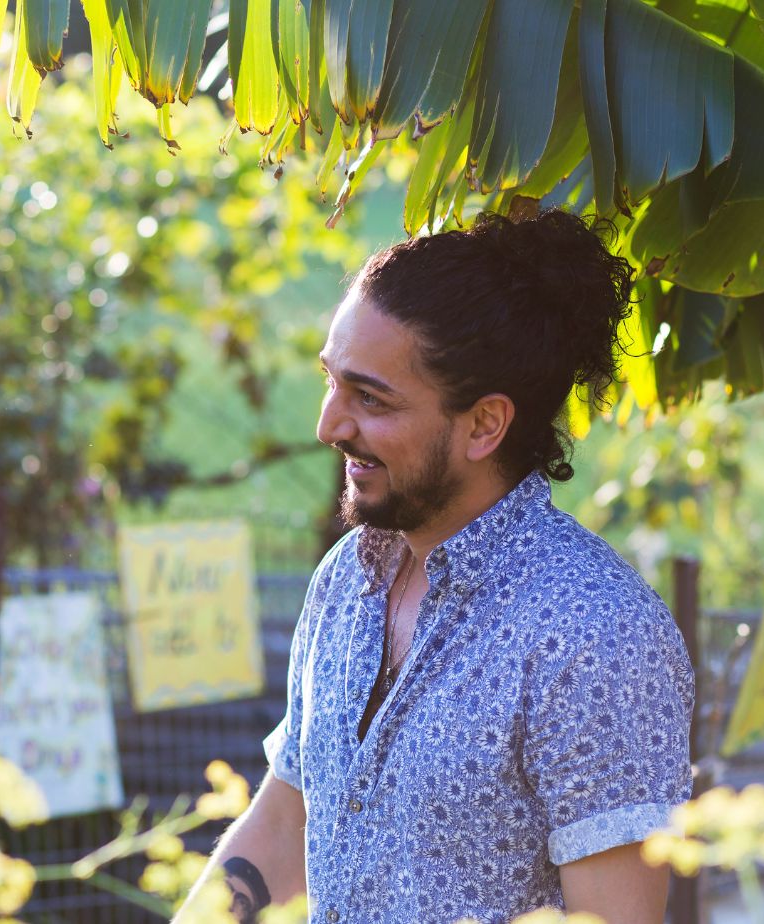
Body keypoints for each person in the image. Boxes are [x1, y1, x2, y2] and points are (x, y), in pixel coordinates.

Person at [179, 210, 695, 924]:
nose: (329, 425)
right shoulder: (347, 578)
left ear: (485, 424)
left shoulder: (594, 635)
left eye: (371, 398)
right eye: (331, 381)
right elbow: (283, 829)